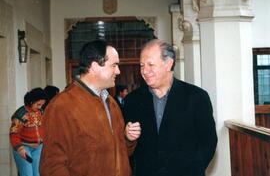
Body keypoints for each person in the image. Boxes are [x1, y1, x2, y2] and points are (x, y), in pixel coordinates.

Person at [40, 39, 141, 176]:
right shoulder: (61, 106)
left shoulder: (110, 102)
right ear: (94, 66)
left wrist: (128, 138)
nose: (118, 71)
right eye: (114, 65)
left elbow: (120, 152)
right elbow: (52, 165)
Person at [123, 39, 218, 176]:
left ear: (168, 64)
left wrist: (193, 170)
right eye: (142, 65)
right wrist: (127, 137)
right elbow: (127, 148)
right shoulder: (132, 100)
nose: (145, 71)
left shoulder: (196, 97)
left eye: (151, 65)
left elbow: (208, 142)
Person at [10, 88, 47, 176]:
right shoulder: (21, 114)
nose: (40, 107)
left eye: (42, 105)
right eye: (38, 104)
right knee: (27, 174)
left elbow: (43, 128)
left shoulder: (41, 112)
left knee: (37, 174)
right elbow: (14, 133)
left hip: (38, 148)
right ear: (31, 101)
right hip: (24, 148)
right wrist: (20, 149)